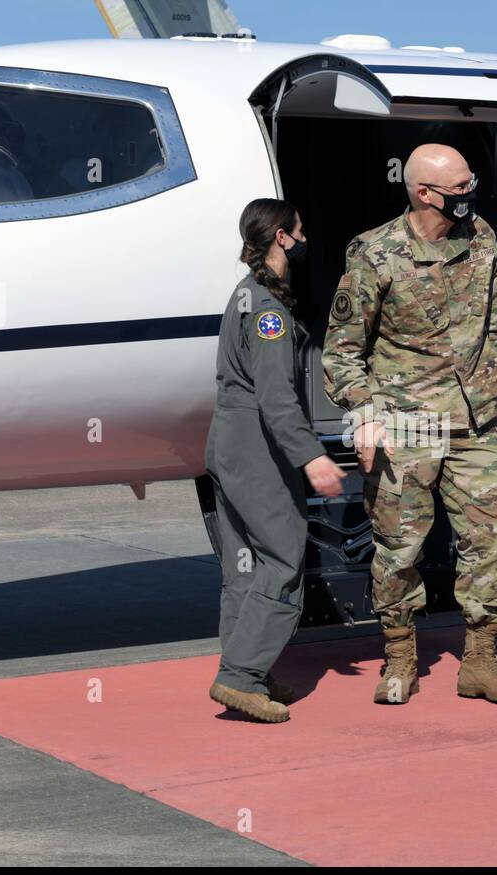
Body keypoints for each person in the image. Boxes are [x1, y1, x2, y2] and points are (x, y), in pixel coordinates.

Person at [322, 143, 497, 705]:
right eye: (459, 188)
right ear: (424, 193)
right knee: (399, 547)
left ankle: (481, 662)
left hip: (477, 420)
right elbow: (342, 352)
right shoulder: (375, 254)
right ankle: (399, 657)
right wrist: (364, 413)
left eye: (471, 184)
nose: (470, 195)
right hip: (407, 425)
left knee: (491, 539)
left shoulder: (481, 237)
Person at [205, 199, 346, 722]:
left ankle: (247, 673)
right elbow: (276, 395)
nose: (305, 238)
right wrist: (311, 458)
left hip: (229, 444)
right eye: (300, 230)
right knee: (285, 558)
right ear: (282, 238)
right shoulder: (267, 310)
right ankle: (240, 676)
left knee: (244, 564)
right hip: (258, 449)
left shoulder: (244, 296)